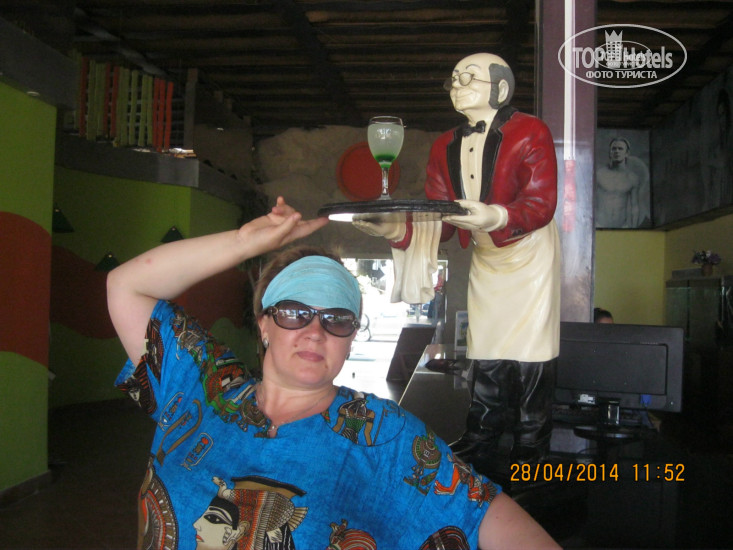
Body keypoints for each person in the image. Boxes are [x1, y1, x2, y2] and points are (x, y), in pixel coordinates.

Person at [107, 196, 559, 549]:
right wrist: (247, 242)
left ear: (351, 337)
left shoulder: (381, 434)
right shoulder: (202, 387)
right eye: (294, 312)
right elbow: (127, 285)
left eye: (336, 319)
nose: (315, 331)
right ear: (263, 324)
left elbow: (486, 517)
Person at [354, 53, 561, 484]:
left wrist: (495, 215)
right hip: (487, 255)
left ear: (501, 89)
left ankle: (532, 447)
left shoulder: (531, 131)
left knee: (531, 351)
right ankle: (481, 436)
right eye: (454, 79)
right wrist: (393, 228)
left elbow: (540, 204)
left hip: (529, 249)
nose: (458, 85)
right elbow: (440, 222)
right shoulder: (443, 145)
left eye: (470, 78)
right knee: (484, 343)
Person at [595, 137, 651, 228]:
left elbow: (634, 207)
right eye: (614, 149)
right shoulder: (599, 175)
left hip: (623, 226)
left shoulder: (632, 178)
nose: (617, 151)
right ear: (610, 152)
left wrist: (633, 229)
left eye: (620, 149)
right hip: (600, 225)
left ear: (627, 153)